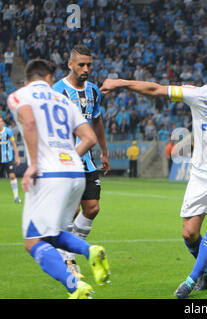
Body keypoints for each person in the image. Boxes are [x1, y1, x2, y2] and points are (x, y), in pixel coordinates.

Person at [100, 57, 207, 298]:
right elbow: (155, 89)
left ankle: (191, 280)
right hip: (200, 173)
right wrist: (119, 83)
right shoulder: (197, 94)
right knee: (189, 233)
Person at [7, 59, 111, 299]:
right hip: (75, 170)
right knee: (51, 233)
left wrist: (34, 164)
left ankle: (75, 286)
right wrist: (67, 161)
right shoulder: (64, 100)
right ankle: (90, 250)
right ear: (48, 78)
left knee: (32, 242)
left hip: (48, 173)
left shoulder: (18, 96)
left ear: (28, 79)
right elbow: (89, 138)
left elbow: (29, 121)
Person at [52, 44, 110, 279]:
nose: (86, 69)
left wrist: (104, 152)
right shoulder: (57, 91)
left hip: (87, 161)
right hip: (65, 161)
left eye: (89, 65)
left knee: (92, 208)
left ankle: (67, 253)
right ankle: (68, 258)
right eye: (81, 65)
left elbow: (97, 122)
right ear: (70, 64)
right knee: (71, 210)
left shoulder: (94, 91)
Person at [0, 116, 21, 203]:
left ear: (3, 122)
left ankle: (16, 197)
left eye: (1, 121)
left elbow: (14, 144)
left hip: (8, 159)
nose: (0, 123)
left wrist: (17, 156)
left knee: (12, 176)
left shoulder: (8, 131)